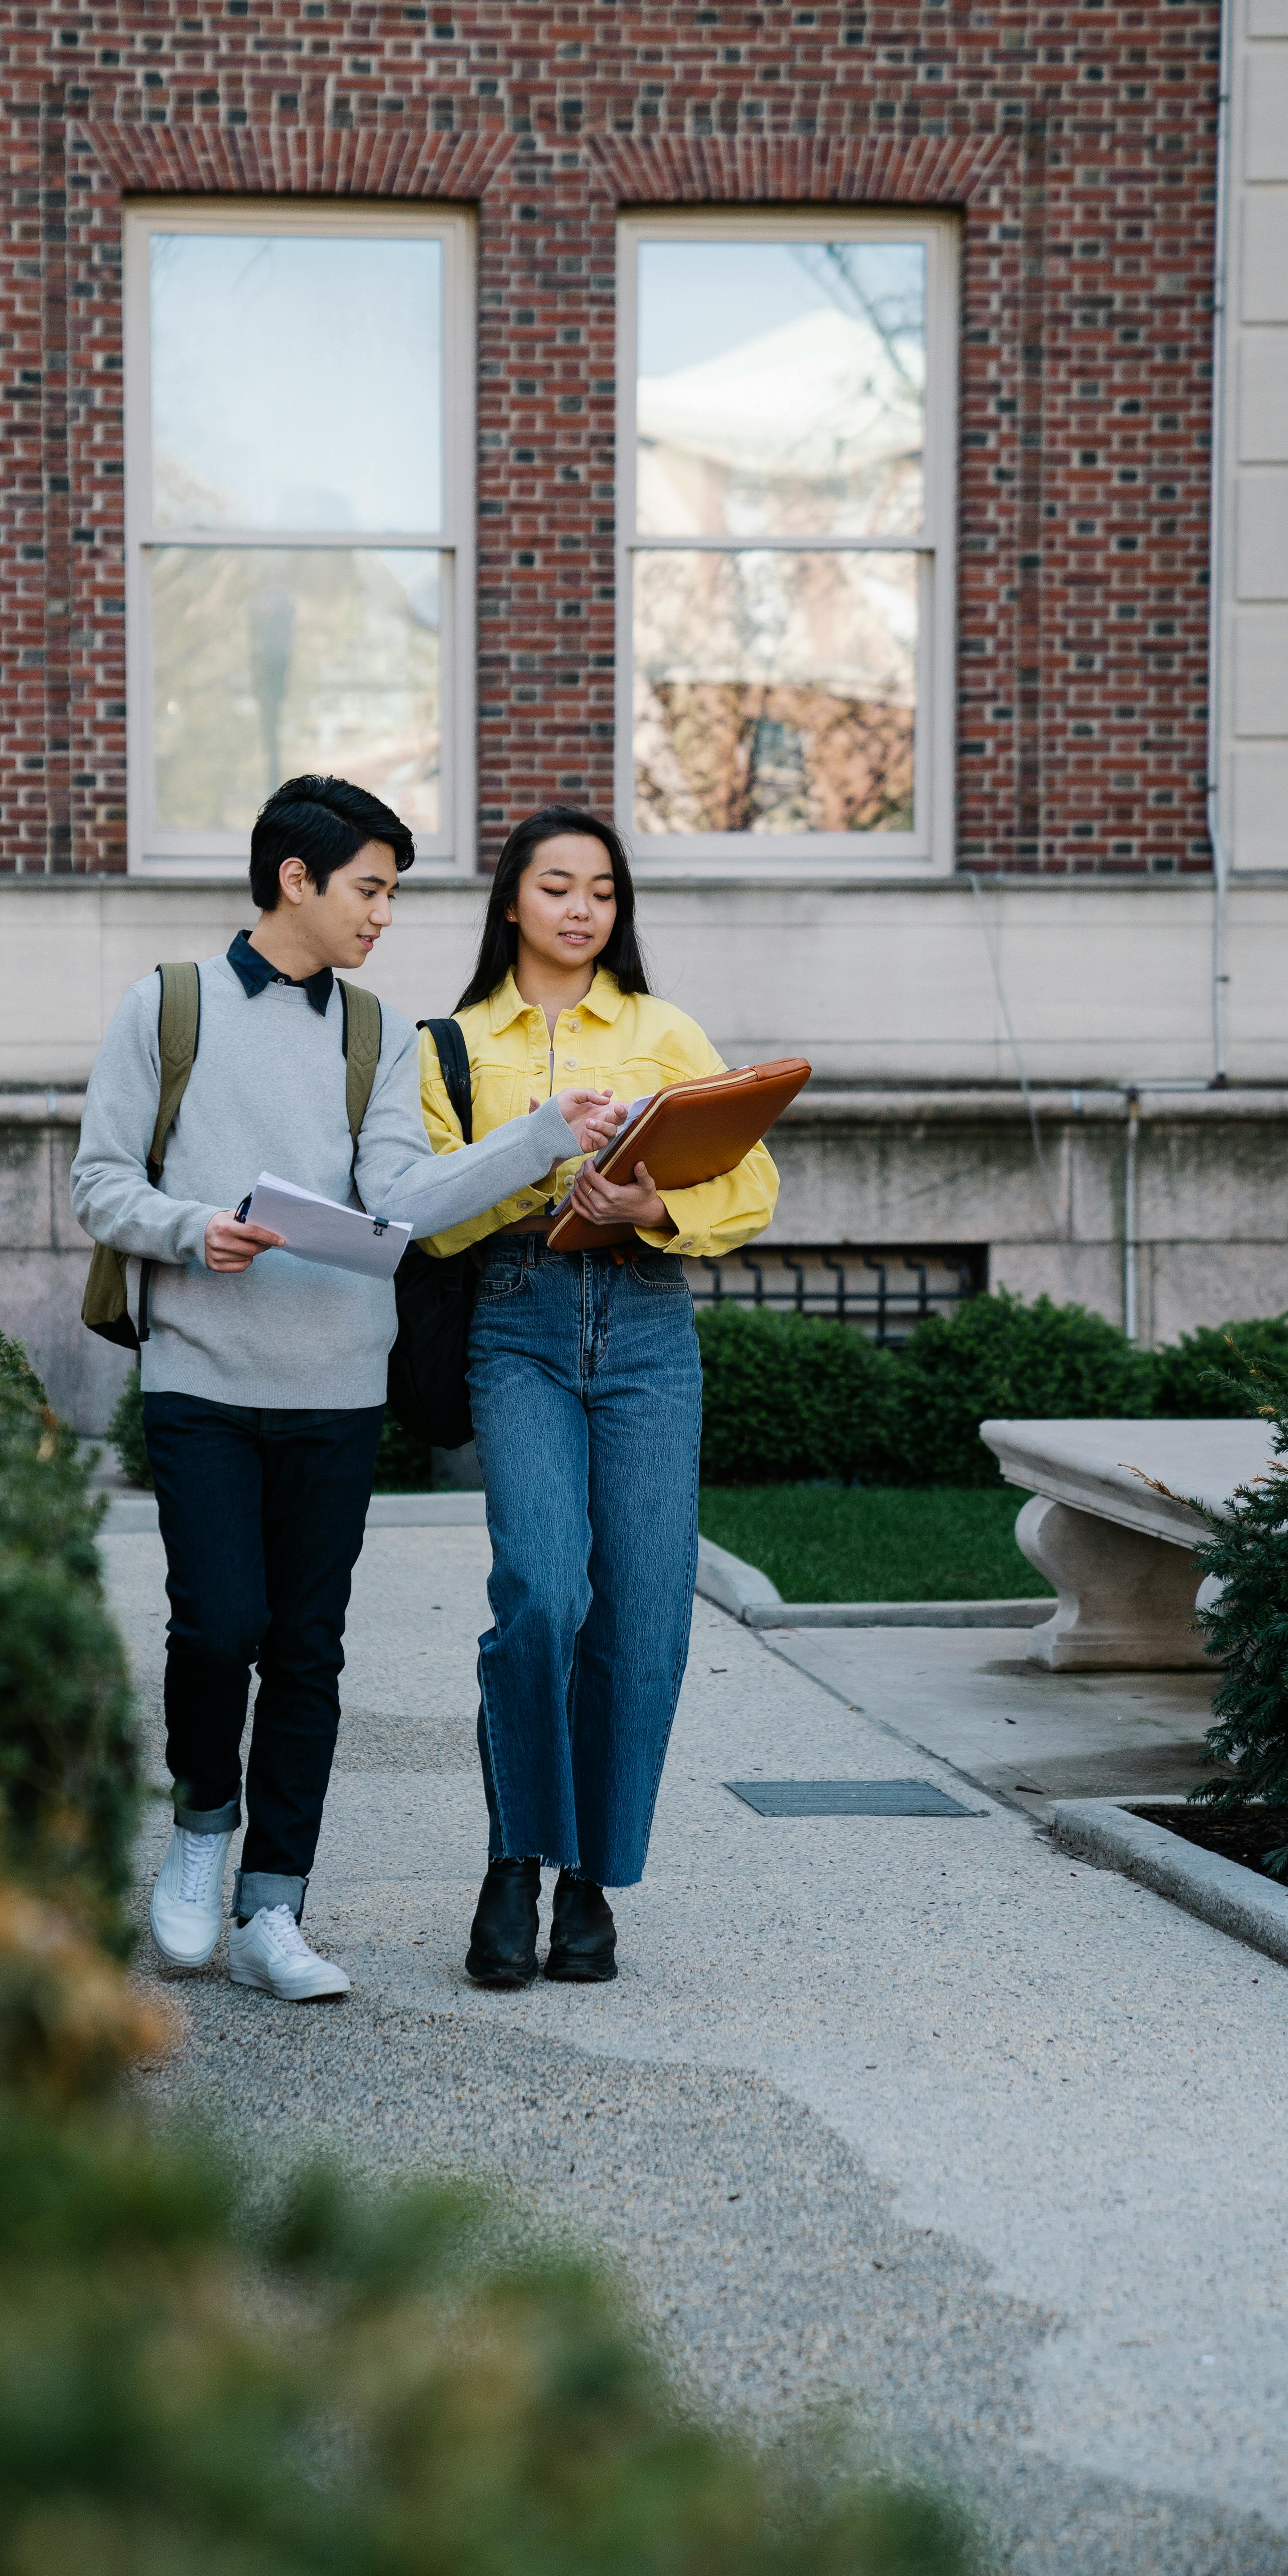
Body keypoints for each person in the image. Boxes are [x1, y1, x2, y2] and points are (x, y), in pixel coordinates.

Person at [71, 776, 622, 2004]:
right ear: (297, 880)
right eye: (371, 889)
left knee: (309, 1652)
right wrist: (187, 1227)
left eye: (392, 893)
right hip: (202, 1377)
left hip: (336, 1389)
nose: (384, 914)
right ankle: (203, 1822)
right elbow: (100, 1183)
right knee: (219, 1627)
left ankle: (276, 1905)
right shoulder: (168, 1006)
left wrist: (542, 1138)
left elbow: (406, 1207)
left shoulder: (376, 1033)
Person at [417, 805, 780, 1988]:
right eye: (559, 886)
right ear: (511, 901)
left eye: (604, 892)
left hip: (646, 1328)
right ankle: (513, 1855)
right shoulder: (455, 1047)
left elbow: (752, 1178)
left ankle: (586, 1883)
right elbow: (429, 1215)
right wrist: (538, 1150)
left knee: (642, 1620)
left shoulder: (665, 1031)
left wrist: (658, 1208)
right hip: (516, 1319)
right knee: (539, 1590)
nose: (582, 910)